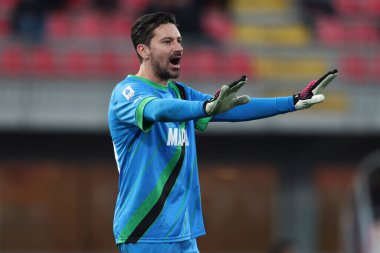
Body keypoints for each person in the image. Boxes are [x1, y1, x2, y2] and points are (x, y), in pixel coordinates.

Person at [108, 12, 338, 253]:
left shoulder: (181, 93)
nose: (178, 47)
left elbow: (233, 108)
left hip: (184, 233)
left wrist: (292, 101)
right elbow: (158, 110)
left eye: (179, 40)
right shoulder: (126, 93)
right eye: (167, 42)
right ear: (143, 50)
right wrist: (204, 108)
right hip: (146, 233)